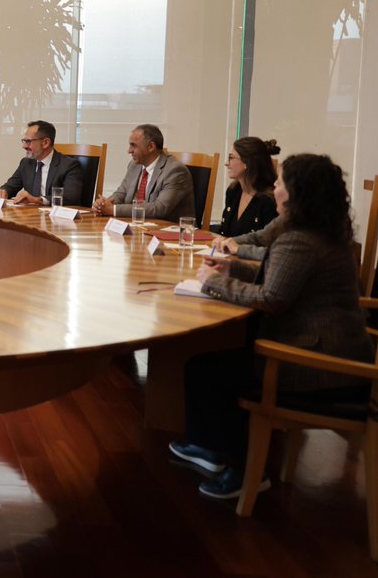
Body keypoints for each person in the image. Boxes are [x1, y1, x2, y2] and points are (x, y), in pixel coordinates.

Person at [170, 154, 372, 499]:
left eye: (279, 182)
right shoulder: (319, 230)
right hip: (334, 350)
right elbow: (280, 274)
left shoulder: (301, 238)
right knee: (209, 365)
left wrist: (214, 283)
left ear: (295, 192)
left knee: (209, 371)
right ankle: (211, 448)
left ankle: (243, 469)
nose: (273, 187)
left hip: (319, 365)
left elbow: (272, 298)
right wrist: (232, 269)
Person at [93, 123, 195, 222]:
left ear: (151, 147)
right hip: (140, 227)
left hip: (170, 230)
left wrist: (113, 210)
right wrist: (103, 205)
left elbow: (159, 208)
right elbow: (121, 193)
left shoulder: (175, 171)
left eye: (133, 145)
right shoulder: (134, 165)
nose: (129, 151)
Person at [0, 120, 83, 205]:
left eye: (28, 141)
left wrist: (38, 200)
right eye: (24, 141)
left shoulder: (69, 165)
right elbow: (11, 186)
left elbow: (70, 197)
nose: (24, 146)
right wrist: (3, 191)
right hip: (31, 214)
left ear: (45, 143)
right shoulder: (26, 163)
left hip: (55, 215)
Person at [214, 136, 280, 237]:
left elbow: (268, 242)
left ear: (247, 162)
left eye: (231, 158)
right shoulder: (233, 191)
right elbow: (224, 231)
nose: (226, 163)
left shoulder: (269, 200)